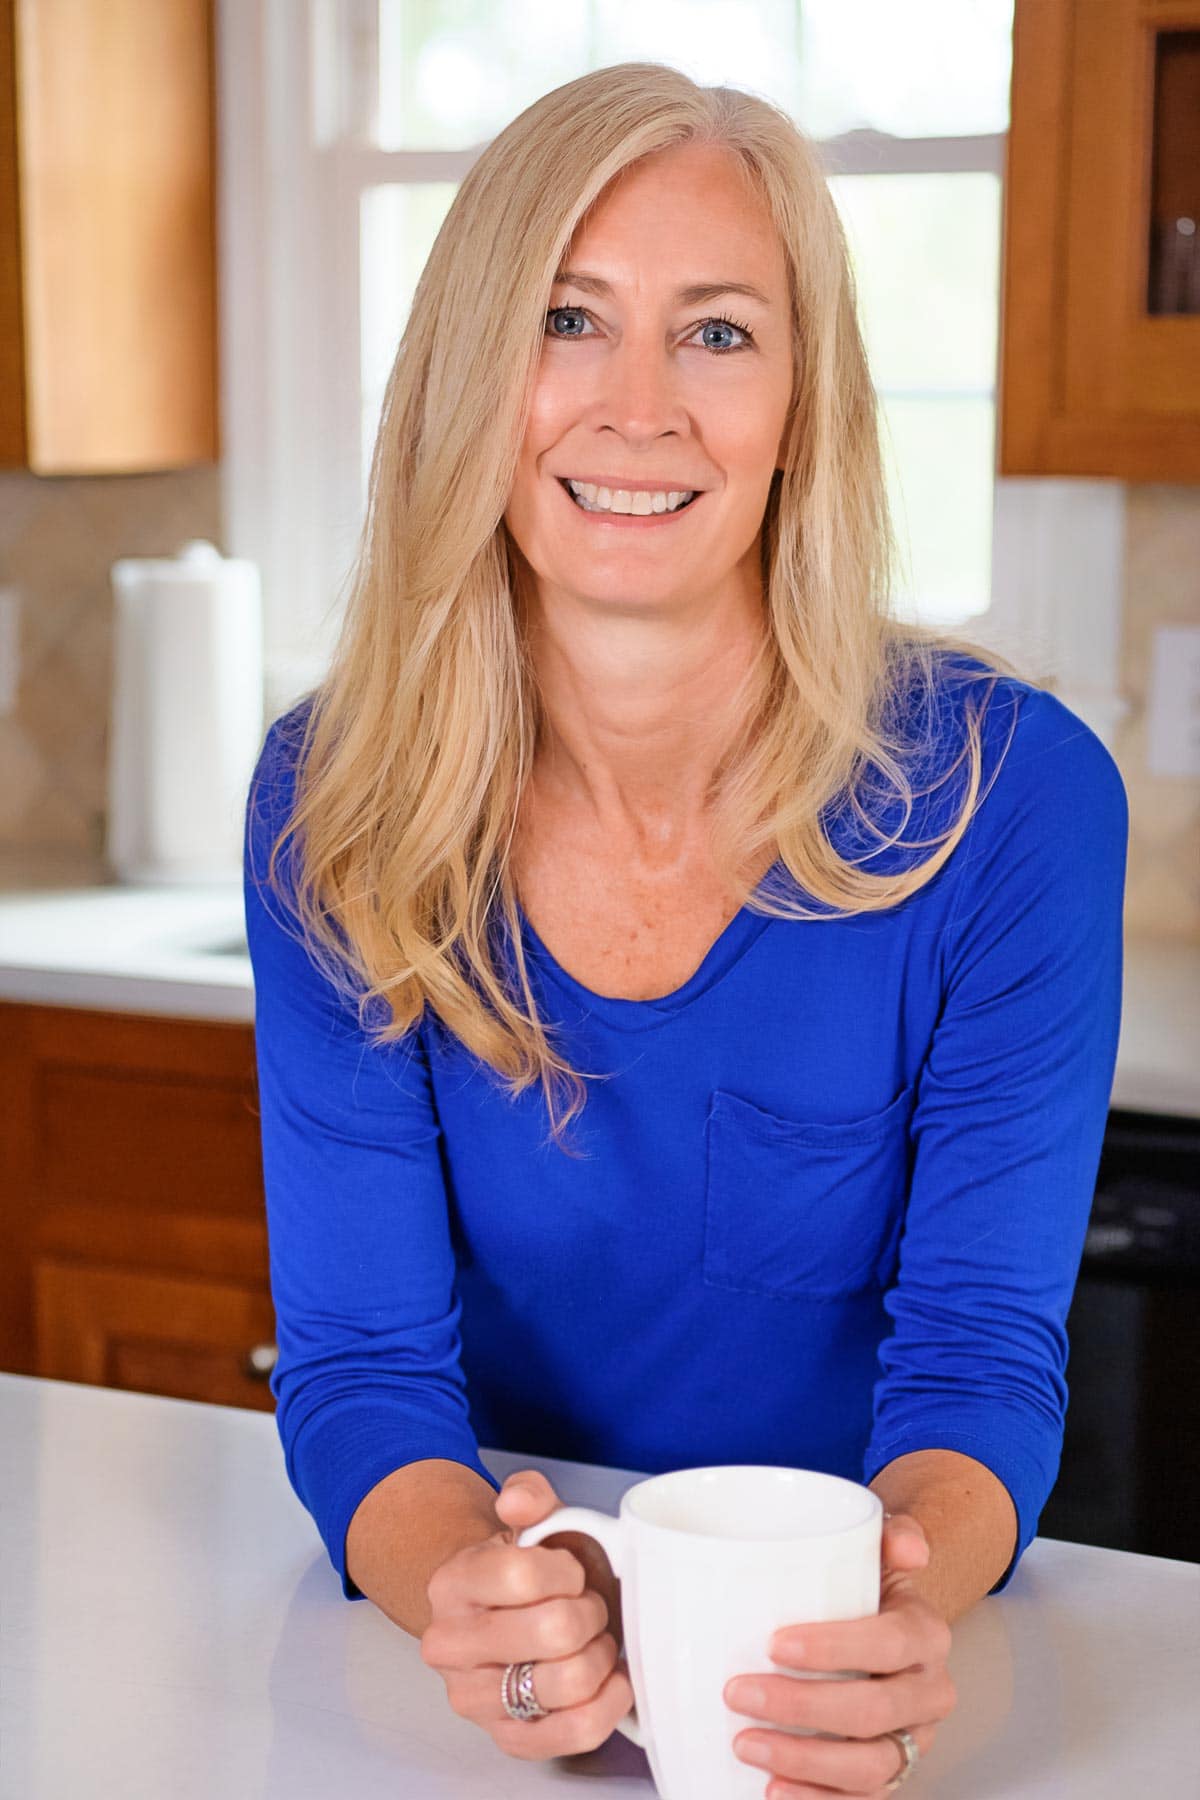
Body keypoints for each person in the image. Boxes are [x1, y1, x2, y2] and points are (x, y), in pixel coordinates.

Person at [243, 62, 1127, 1797]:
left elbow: (981, 1363)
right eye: (569, 320)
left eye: (718, 334)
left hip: (853, 1615)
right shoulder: (333, 802)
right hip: (484, 1644)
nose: (637, 407)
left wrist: (860, 1619)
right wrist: (481, 1597)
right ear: (467, 383)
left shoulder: (1008, 802)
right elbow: (360, 1372)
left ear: (803, 406)